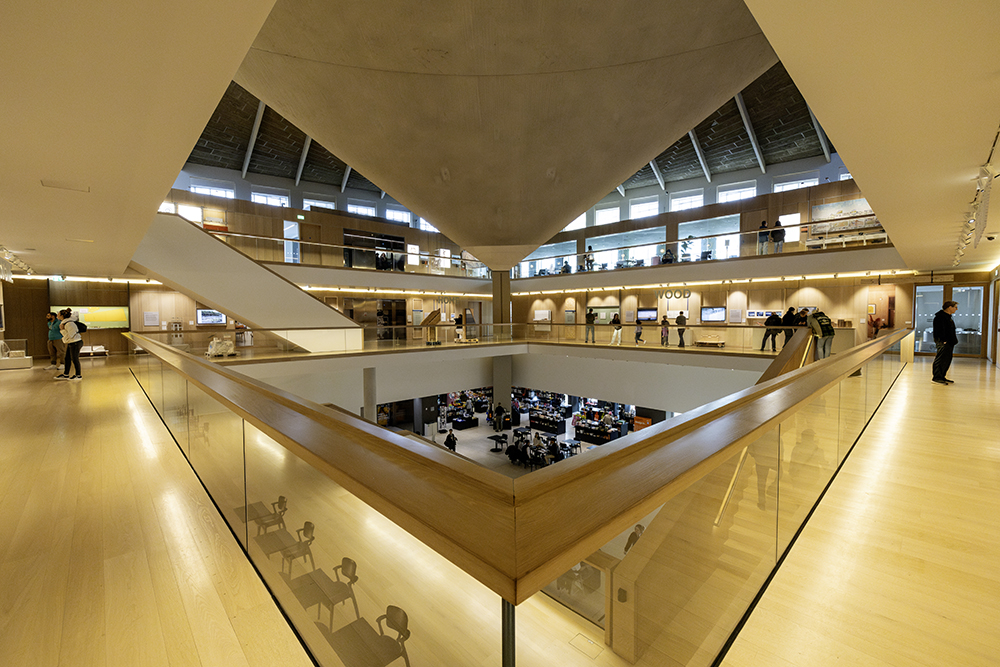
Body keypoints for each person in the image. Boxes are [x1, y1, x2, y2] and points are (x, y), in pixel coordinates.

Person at [931, 300, 958, 385]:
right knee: (940, 359)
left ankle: (942, 376)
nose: (956, 309)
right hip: (943, 342)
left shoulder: (948, 317)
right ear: (950, 307)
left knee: (946, 360)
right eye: (955, 307)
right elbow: (939, 331)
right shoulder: (940, 317)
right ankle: (937, 377)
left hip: (949, 342)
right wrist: (943, 340)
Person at [56, 309, 82, 380]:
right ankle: (66, 374)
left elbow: (71, 335)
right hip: (72, 342)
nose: (57, 316)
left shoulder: (69, 323)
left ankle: (78, 375)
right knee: (67, 358)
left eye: (58, 314)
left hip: (76, 342)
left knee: (75, 359)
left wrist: (62, 330)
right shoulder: (65, 323)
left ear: (62, 316)